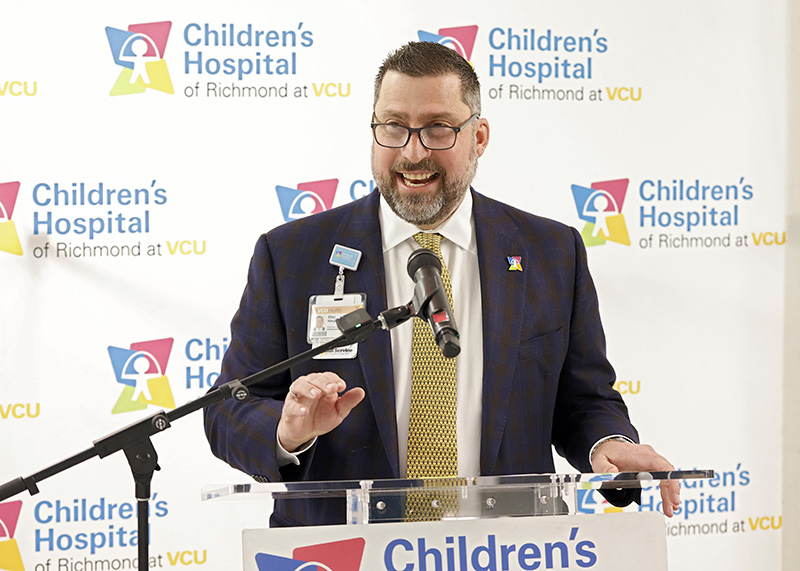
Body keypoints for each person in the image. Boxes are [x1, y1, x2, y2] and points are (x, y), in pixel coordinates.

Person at [203, 41, 679, 527]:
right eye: (393, 127)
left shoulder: (551, 252)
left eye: (438, 129)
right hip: (343, 553)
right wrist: (286, 431)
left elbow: (584, 400)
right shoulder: (291, 256)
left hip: (510, 551)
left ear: (479, 137)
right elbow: (228, 411)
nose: (413, 152)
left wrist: (609, 443)